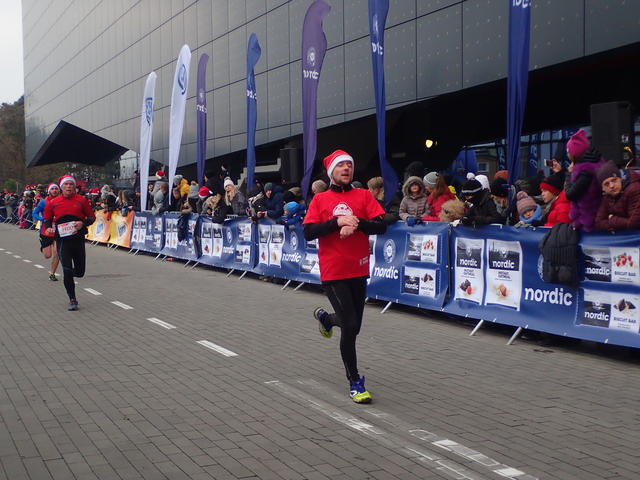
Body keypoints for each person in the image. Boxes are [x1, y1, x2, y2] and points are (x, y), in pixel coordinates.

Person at [303, 150, 387, 404]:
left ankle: (327, 319)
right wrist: (337, 222)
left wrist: (357, 224)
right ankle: (355, 381)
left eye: (349, 164)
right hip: (334, 271)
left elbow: (382, 224)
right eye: (341, 165)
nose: (346, 169)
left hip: (358, 269)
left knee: (355, 327)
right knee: (349, 326)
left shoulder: (363, 195)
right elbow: (308, 232)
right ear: (332, 172)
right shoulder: (321, 199)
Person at [43, 175, 95, 311]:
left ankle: (71, 274)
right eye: (66, 185)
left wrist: (82, 223)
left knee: (80, 272)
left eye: (71, 184)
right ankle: (72, 299)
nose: (68, 187)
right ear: (62, 187)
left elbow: (92, 217)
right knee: (67, 269)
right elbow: (47, 218)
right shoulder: (53, 202)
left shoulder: (82, 200)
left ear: (74, 187)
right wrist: (48, 227)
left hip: (77, 239)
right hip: (62, 240)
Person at [564, 129, 604, 232]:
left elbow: (570, 194)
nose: (567, 155)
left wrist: (569, 174)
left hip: (588, 222)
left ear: (574, 154)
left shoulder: (585, 172)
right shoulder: (594, 165)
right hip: (592, 219)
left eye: (568, 152)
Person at [594, 160, 640, 231]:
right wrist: (618, 224)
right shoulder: (607, 195)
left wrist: (612, 219)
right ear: (603, 188)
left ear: (620, 179)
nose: (611, 186)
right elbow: (599, 222)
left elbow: (634, 223)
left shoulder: (634, 189)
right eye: (607, 184)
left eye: (614, 180)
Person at [32, 183, 61, 281]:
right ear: (49, 191)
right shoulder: (43, 202)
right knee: (48, 256)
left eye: (56, 189)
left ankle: (52, 274)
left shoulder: (61, 201)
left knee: (57, 254)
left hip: (57, 231)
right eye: (52, 189)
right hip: (46, 231)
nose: (54, 190)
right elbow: (34, 213)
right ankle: (44, 247)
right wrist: (43, 219)